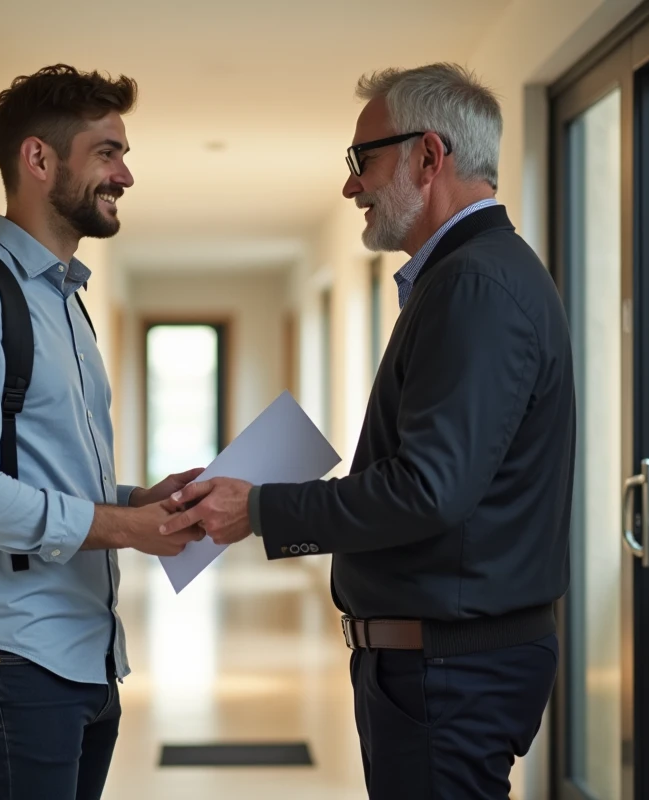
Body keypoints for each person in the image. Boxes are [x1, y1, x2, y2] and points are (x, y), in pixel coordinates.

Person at [162, 63, 576, 798]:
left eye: (364, 159)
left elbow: (427, 491)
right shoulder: (470, 277)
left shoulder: (474, 285)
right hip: (444, 665)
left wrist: (258, 510)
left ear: (429, 156)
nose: (351, 185)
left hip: (448, 673)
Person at [0, 64, 204, 799]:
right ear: (39, 159)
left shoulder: (66, 303)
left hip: (83, 658)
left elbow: (46, 474)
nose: (126, 174)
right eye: (108, 152)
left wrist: (143, 499)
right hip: (8, 660)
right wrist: (123, 527)